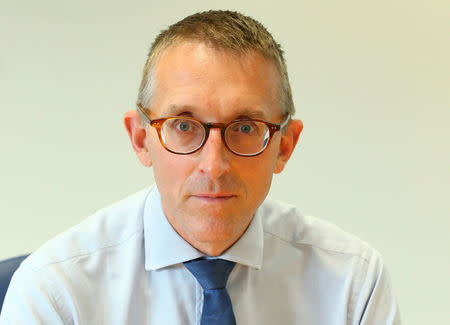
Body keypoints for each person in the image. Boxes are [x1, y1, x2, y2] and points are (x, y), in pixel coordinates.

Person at [0, 10, 401, 324]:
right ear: (141, 140)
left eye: (246, 127)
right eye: (183, 126)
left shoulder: (353, 284)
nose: (214, 165)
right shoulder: (55, 290)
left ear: (285, 145)